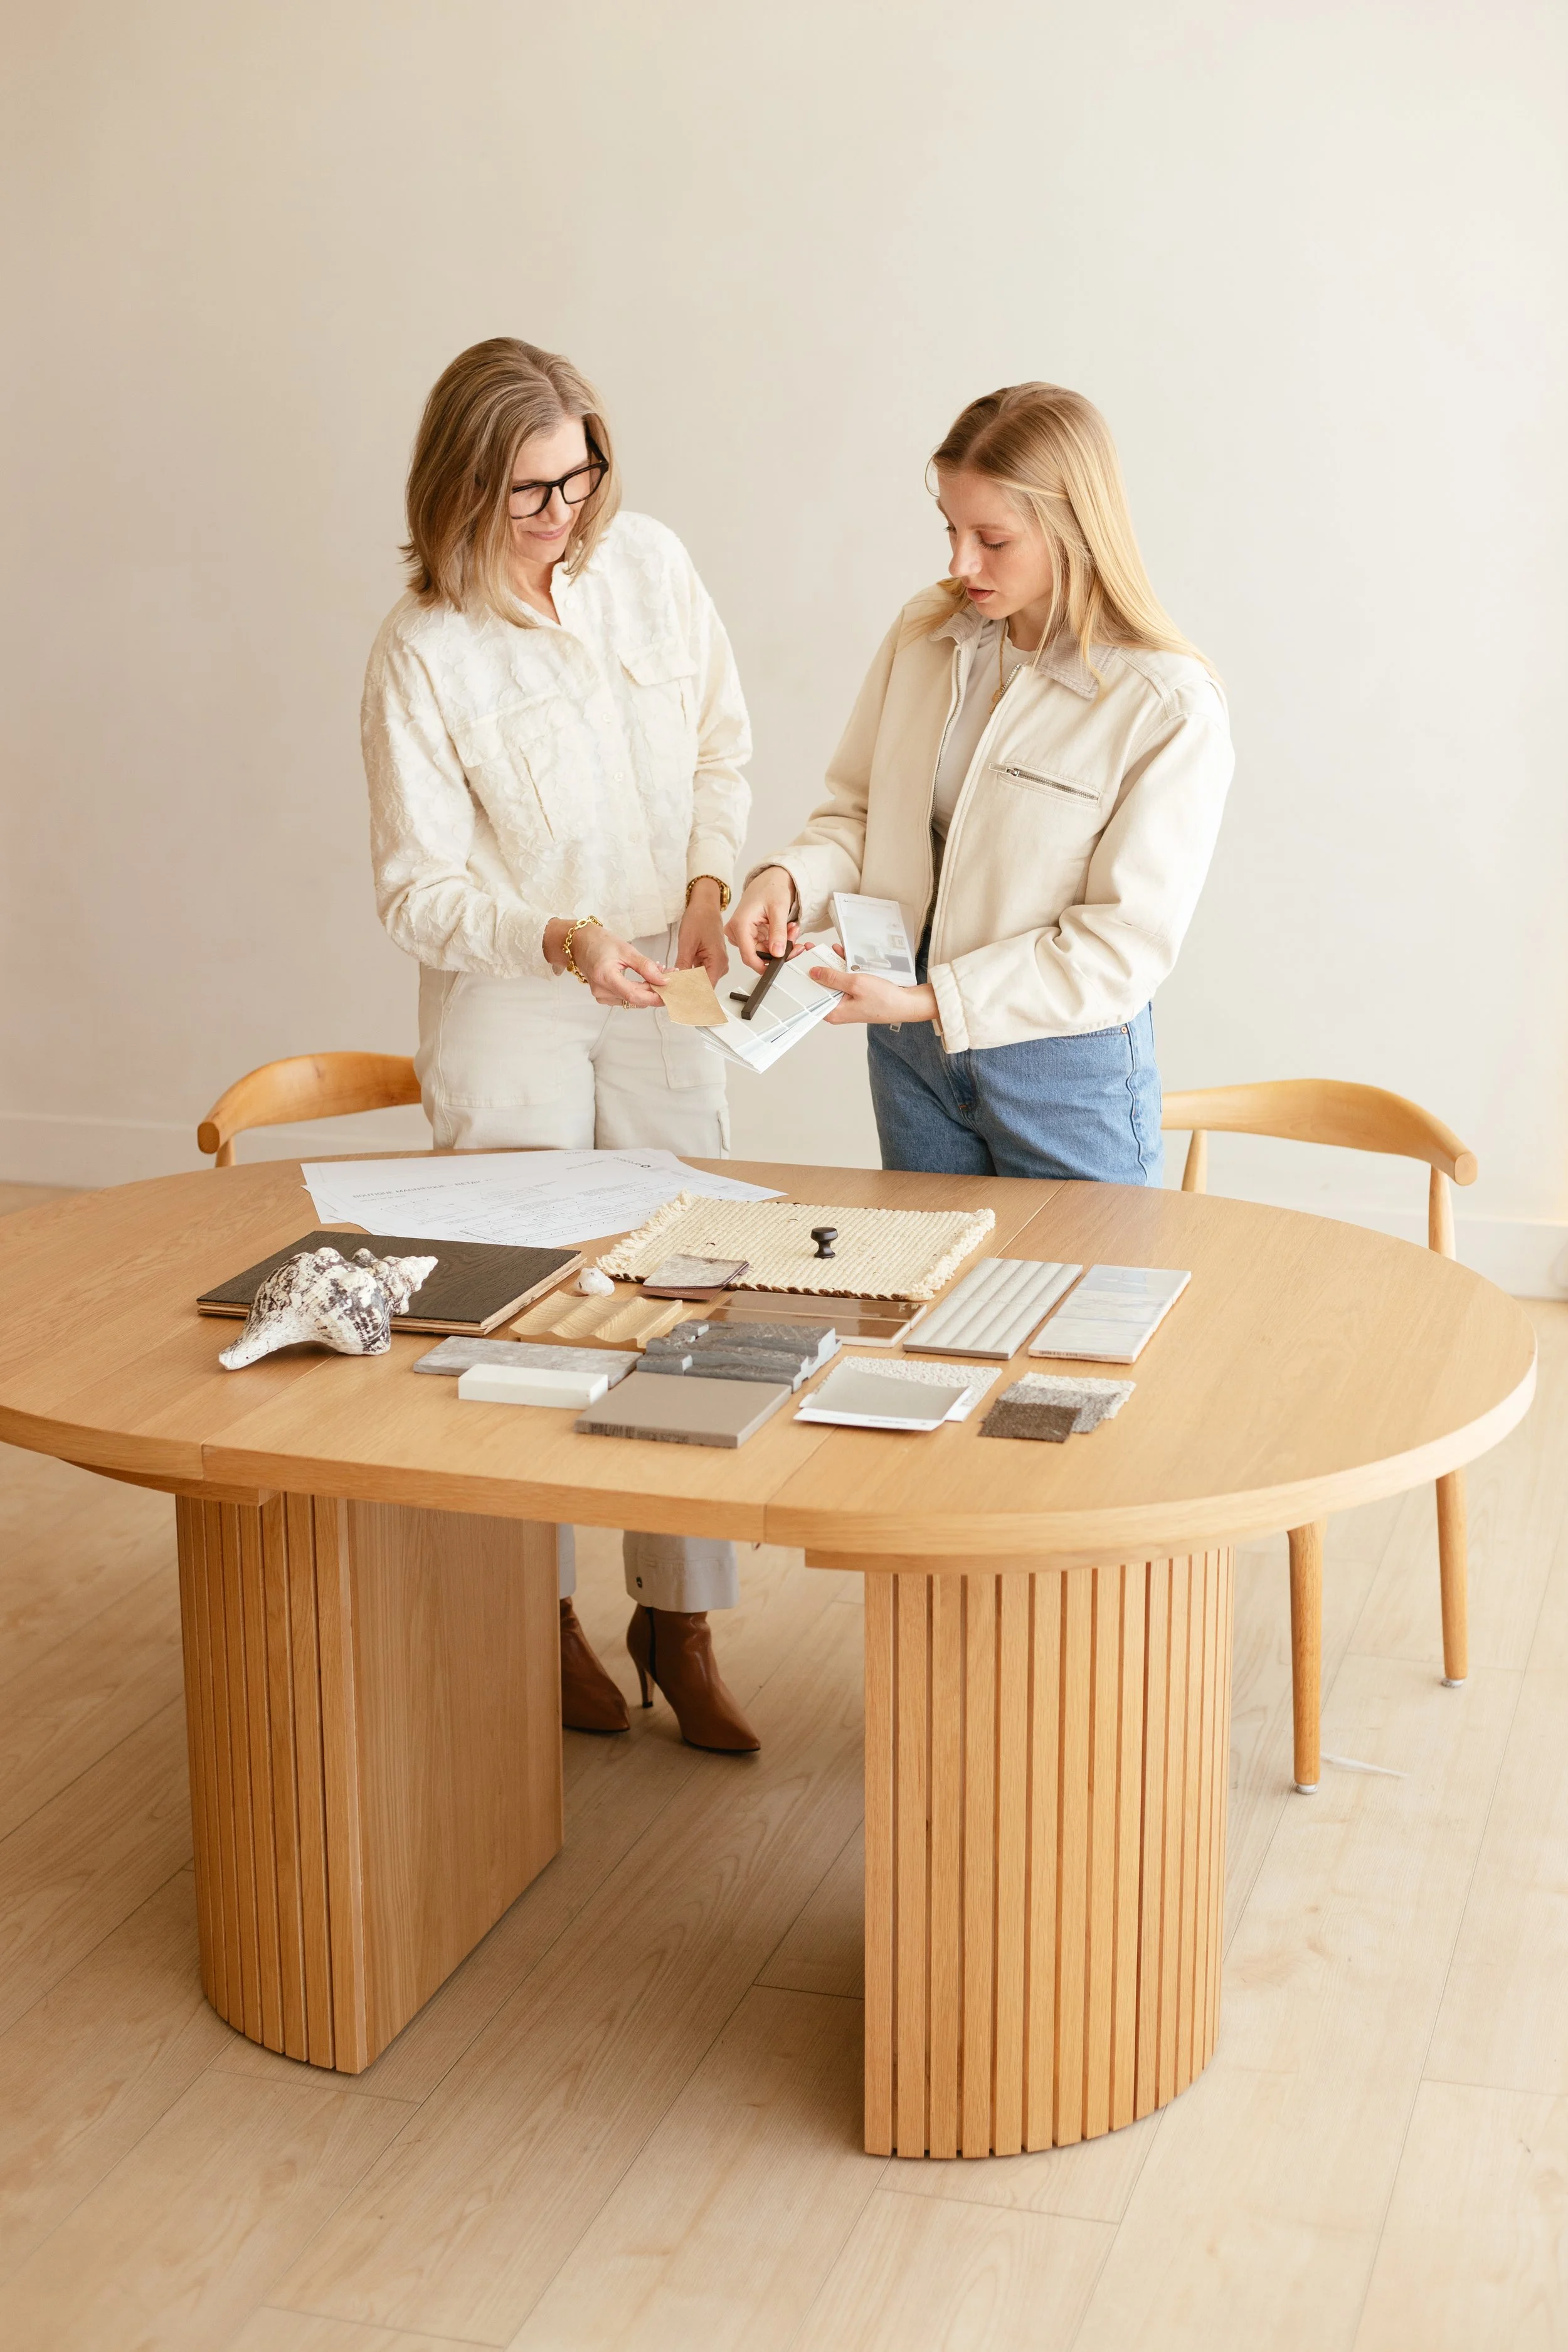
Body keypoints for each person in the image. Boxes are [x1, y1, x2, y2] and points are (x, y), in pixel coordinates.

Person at [363, 336, 760, 1752]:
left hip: (671, 976)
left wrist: (710, 886)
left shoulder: (645, 557)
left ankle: (684, 1613)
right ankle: (534, 1617)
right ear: (462, 485)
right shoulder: (422, 650)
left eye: (577, 477)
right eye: (527, 491)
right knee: (526, 1323)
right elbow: (416, 890)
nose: (559, 515)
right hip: (518, 995)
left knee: (696, 1303)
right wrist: (560, 938)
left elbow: (722, 744)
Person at [729, 383, 1234, 1184]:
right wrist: (787, 878)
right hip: (908, 1056)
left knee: (1081, 1305)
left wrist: (935, 1002)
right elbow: (861, 814)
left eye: (991, 539)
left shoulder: (1163, 705)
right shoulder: (926, 634)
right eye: (951, 530)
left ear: (1074, 530)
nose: (960, 564)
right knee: (926, 1297)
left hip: (1061, 1071)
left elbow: (1120, 947)